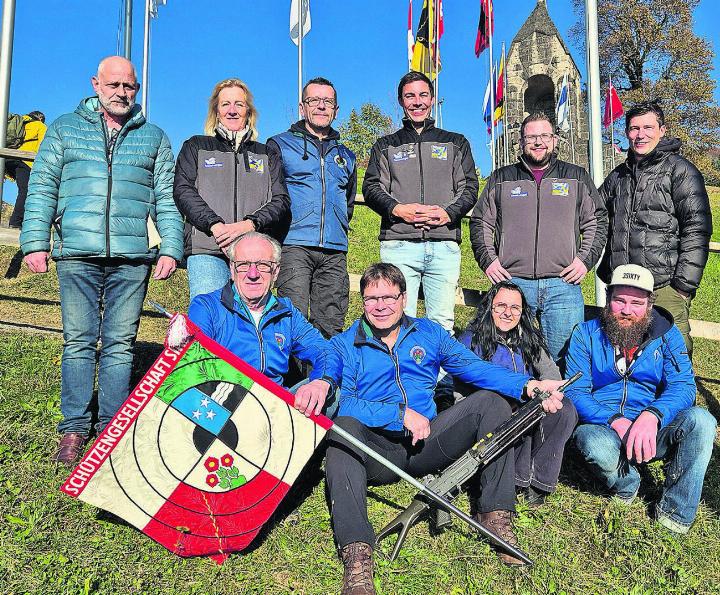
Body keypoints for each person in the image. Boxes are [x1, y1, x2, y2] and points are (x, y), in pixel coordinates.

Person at [326, 263, 566, 592]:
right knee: (341, 430)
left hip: (425, 443)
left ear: (404, 298)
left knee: (491, 402)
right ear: (362, 301)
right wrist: (398, 414)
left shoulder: (429, 333)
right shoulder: (344, 345)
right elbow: (344, 402)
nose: (380, 306)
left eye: (389, 297)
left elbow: (474, 367)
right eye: (371, 298)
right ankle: (357, 552)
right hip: (378, 451)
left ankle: (495, 512)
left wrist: (528, 386)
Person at [20, 56, 184, 466]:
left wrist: (170, 247)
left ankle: (112, 428)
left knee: (119, 346)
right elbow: (41, 189)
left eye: (129, 86)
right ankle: (73, 429)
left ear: (137, 89)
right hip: (77, 253)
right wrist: (34, 242)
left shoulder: (155, 138)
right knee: (78, 343)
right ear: (96, 84)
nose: (121, 92)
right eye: (113, 85)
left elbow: (166, 198)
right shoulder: (63, 129)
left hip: (132, 258)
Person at [565, 264, 716, 534]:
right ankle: (627, 483)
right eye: (619, 300)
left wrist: (653, 415)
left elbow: (683, 385)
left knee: (702, 421)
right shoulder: (585, 334)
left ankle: (675, 515)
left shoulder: (667, 334)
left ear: (649, 305)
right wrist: (613, 420)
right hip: (606, 428)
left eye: (637, 302)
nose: (626, 310)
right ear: (608, 299)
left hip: (652, 428)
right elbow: (575, 390)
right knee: (591, 442)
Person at [471, 112, 607, 361]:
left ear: (554, 140)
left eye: (544, 135)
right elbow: (481, 221)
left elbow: (596, 220)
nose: (538, 142)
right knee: (506, 353)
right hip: (513, 284)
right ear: (521, 141)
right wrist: (488, 261)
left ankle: (560, 400)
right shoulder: (501, 178)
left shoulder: (576, 176)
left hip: (562, 285)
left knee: (564, 358)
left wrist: (584, 260)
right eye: (531, 136)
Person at [363, 71, 479, 333]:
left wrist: (449, 214)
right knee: (398, 321)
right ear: (401, 101)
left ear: (433, 98)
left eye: (423, 95)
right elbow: (371, 187)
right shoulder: (385, 145)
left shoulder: (456, 142)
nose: (417, 102)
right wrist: (397, 209)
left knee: (442, 323)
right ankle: (403, 375)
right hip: (399, 244)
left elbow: (470, 186)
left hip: (444, 245)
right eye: (410, 96)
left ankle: (440, 376)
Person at [598, 101, 712, 357]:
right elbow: (591, 211)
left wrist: (682, 286)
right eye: (634, 128)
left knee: (672, 357)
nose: (641, 135)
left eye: (648, 127)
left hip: (664, 286)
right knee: (622, 356)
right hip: (623, 286)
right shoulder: (618, 176)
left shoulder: (680, 171)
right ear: (626, 132)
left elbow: (697, 228)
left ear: (662, 130)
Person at [186, 232, 341, 416]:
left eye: (263, 266)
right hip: (223, 406)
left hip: (274, 408)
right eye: (243, 265)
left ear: (275, 272)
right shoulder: (207, 307)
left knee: (332, 391)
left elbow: (325, 350)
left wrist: (321, 382)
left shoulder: (286, 312)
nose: (253, 274)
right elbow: (193, 364)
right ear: (232, 269)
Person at [457, 281, 578, 505]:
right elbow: (461, 392)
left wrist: (550, 389)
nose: (507, 313)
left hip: (526, 405)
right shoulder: (470, 341)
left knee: (565, 408)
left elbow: (550, 374)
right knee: (516, 414)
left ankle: (540, 481)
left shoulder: (528, 339)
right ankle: (514, 480)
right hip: (490, 415)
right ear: (489, 308)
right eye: (500, 306)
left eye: (515, 308)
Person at [174, 78, 290, 300]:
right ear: (216, 111)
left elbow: (281, 200)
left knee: (248, 326)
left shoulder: (267, 154)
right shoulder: (196, 146)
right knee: (209, 324)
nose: (232, 110)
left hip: (254, 256)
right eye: (225, 104)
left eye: (239, 104)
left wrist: (250, 224)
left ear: (249, 111)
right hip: (208, 250)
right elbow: (183, 190)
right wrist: (214, 225)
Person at [268, 77, 357, 339]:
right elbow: (273, 193)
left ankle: (323, 379)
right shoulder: (280, 145)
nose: (321, 106)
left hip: (334, 250)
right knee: (292, 319)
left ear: (336, 109)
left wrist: (337, 225)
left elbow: (348, 200)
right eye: (314, 100)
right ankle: (290, 380)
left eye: (327, 101)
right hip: (294, 244)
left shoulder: (346, 155)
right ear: (302, 107)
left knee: (330, 322)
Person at [5, 111, 46, 228]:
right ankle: (16, 222)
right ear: (40, 118)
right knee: (26, 191)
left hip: (8, 159)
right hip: (24, 161)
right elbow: (42, 147)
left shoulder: (20, 123)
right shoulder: (40, 126)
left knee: (23, 189)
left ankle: (16, 221)